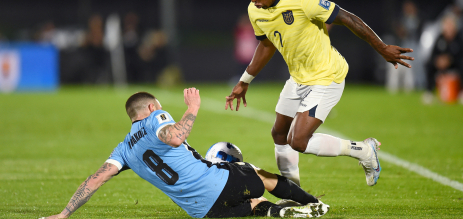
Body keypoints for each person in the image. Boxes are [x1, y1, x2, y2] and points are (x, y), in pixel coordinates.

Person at [225, 0, 414, 188]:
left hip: (327, 77)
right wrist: (245, 81)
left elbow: (348, 18)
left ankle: (364, 151)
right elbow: (266, 45)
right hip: (299, 78)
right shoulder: (255, 11)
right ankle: (293, 194)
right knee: (279, 134)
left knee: (299, 140)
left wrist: (382, 48)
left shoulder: (303, 0)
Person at [40, 89, 330, 219]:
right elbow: (176, 137)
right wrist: (192, 108)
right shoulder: (156, 117)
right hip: (214, 184)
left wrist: (64, 214)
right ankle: (314, 202)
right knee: (260, 176)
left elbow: (94, 180)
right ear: (152, 107)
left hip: (202, 212)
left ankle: (282, 212)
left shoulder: (124, 149)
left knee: (254, 204)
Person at [423, 14, 463, 104]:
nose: (448, 28)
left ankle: (462, 93)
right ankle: (429, 92)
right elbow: (433, 55)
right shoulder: (440, 38)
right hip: (441, 65)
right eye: (446, 25)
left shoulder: (459, 39)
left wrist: (450, 60)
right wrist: (438, 61)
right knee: (429, 64)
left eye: (450, 25)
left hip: (454, 64)